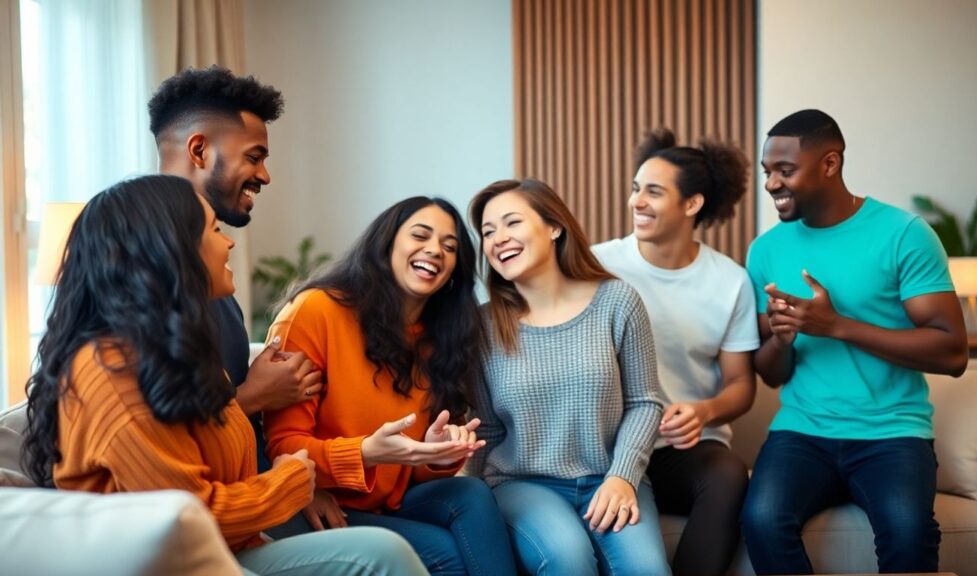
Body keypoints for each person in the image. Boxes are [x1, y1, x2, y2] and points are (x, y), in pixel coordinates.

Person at [21, 175, 429, 576]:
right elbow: (183, 519)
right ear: (172, 250)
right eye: (214, 230)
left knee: (399, 541)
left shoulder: (170, 350)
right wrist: (288, 482)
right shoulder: (112, 374)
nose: (229, 242)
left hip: (225, 549)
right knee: (386, 551)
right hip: (169, 563)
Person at [740, 109, 968, 574]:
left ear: (830, 164)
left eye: (786, 171)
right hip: (801, 431)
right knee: (760, 520)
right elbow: (768, 372)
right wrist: (782, 340)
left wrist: (838, 325)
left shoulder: (904, 234)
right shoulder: (765, 250)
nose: (771, 185)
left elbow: (952, 353)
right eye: (767, 172)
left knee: (908, 535)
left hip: (893, 433)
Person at [262, 197, 516, 576]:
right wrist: (365, 453)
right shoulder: (317, 311)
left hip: (387, 501)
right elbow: (283, 445)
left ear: (453, 272)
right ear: (387, 243)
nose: (435, 250)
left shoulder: (438, 339)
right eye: (421, 235)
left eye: (450, 247)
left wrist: (436, 455)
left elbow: (408, 471)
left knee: (472, 494)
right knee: (447, 553)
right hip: (318, 501)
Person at [465, 179, 670, 576]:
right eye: (488, 232)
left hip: (608, 475)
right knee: (568, 558)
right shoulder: (483, 325)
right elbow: (485, 428)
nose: (498, 239)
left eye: (511, 223)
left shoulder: (618, 301)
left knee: (648, 571)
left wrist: (623, 477)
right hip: (522, 484)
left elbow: (645, 402)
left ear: (554, 226)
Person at [591, 128, 758, 576]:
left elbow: (742, 385)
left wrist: (703, 412)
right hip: (607, 449)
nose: (636, 202)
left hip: (682, 452)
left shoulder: (730, 281)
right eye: (635, 189)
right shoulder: (596, 267)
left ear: (692, 203)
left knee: (729, 475)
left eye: (653, 192)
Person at [148, 66, 319, 471]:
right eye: (254, 157)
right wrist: (255, 396)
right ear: (199, 151)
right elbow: (159, 441)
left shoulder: (213, 274)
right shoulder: (140, 271)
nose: (265, 175)